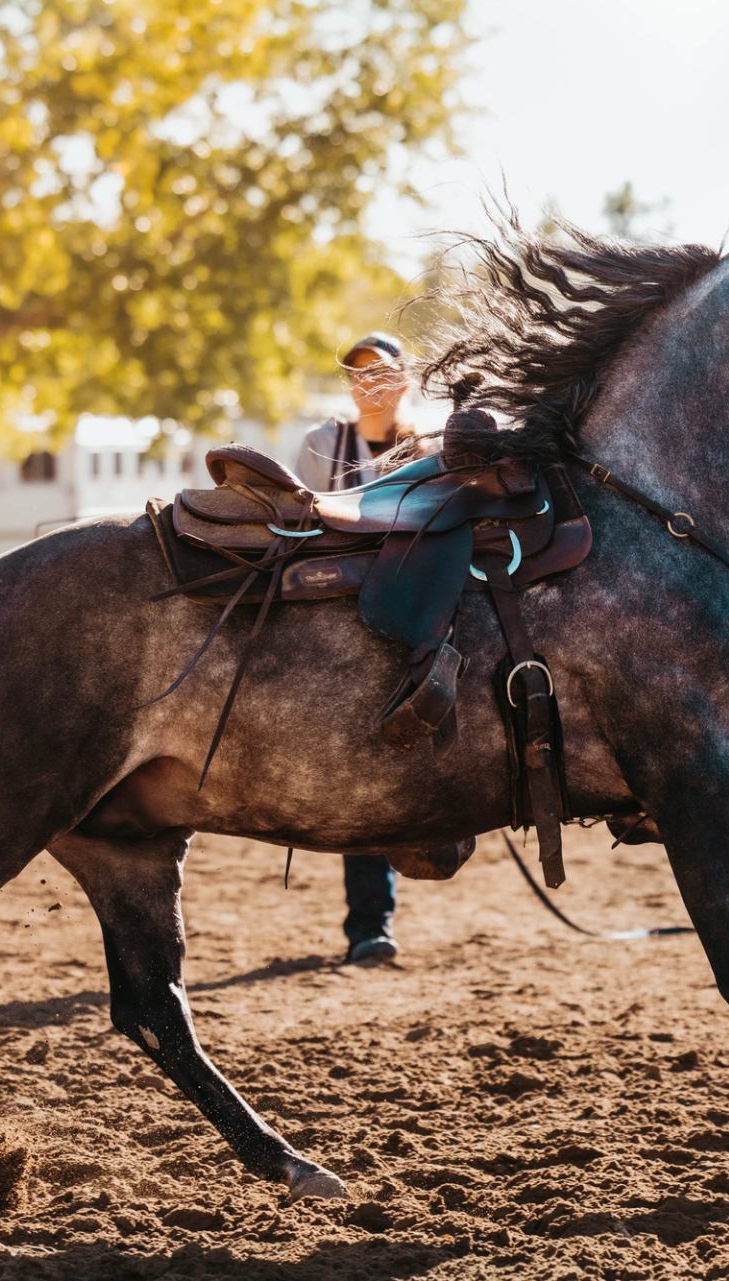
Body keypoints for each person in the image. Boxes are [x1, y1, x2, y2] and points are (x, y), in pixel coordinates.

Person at [293, 332, 418, 964]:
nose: (370, 382)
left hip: (416, 613)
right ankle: (370, 923)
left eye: (383, 372)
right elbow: (296, 526)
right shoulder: (321, 445)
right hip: (339, 621)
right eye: (358, 373)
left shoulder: (430, 445)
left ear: (405, 378)